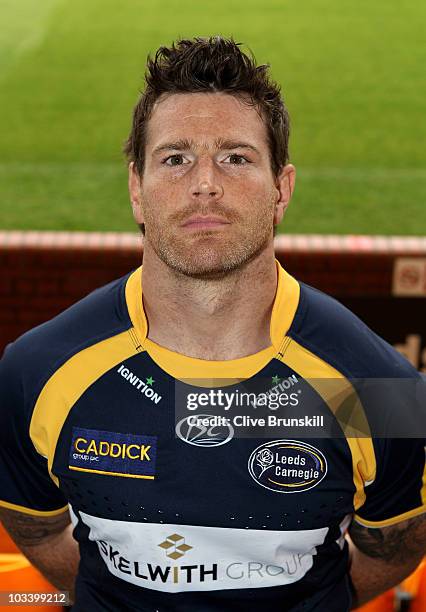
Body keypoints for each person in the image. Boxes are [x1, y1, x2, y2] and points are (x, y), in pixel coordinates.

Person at [0, 36, 425, 612]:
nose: (205, 182)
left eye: (236, 157)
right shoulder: (36, 372)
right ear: (136, 190)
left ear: (282, 189)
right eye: (175, 158)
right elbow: (38, 530)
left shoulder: (379, 388)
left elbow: (393, 550)